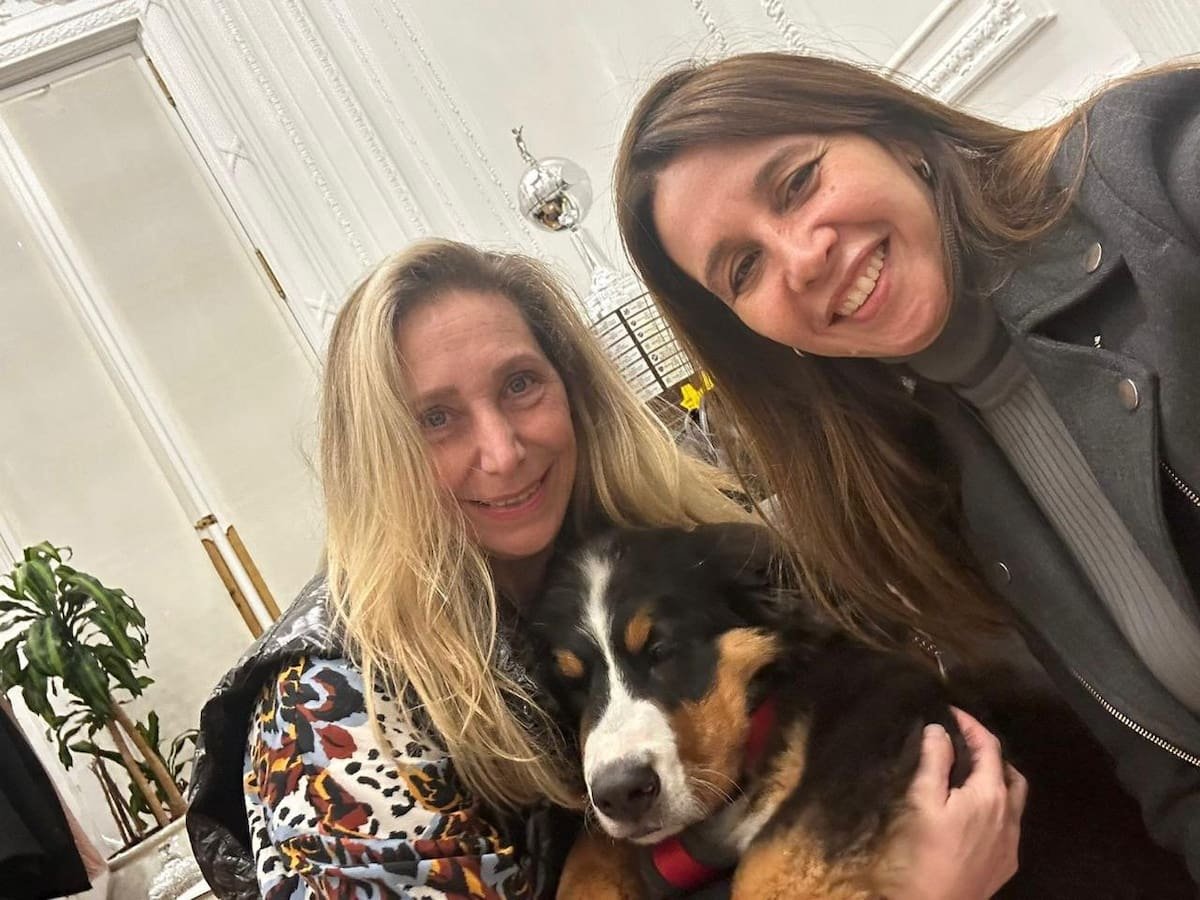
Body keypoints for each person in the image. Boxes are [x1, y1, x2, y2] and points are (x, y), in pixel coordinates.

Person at [614, 51, 1200, 887]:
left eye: (798, 183)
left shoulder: (1152, 172)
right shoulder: (935, 480)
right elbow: (1170, 776)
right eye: (743, 269)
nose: (800, 258)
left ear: (897, 137)